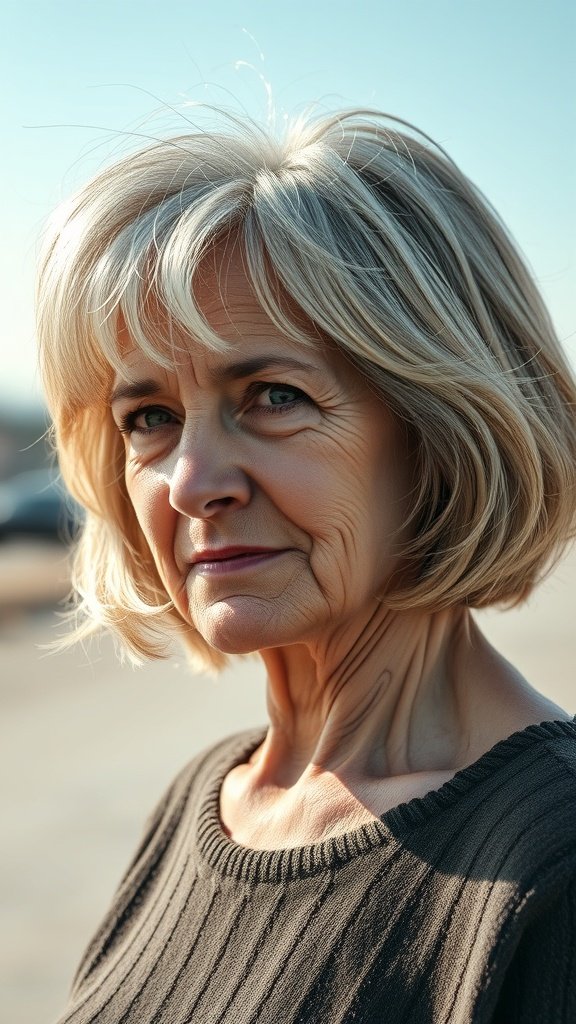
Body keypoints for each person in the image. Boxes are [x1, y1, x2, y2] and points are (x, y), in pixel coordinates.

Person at [37, 107, 576, 1023]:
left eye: (273, 396)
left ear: (441, 430)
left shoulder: (552, 862)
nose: (191, 482)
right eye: (149, 418)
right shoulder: (205, 803)